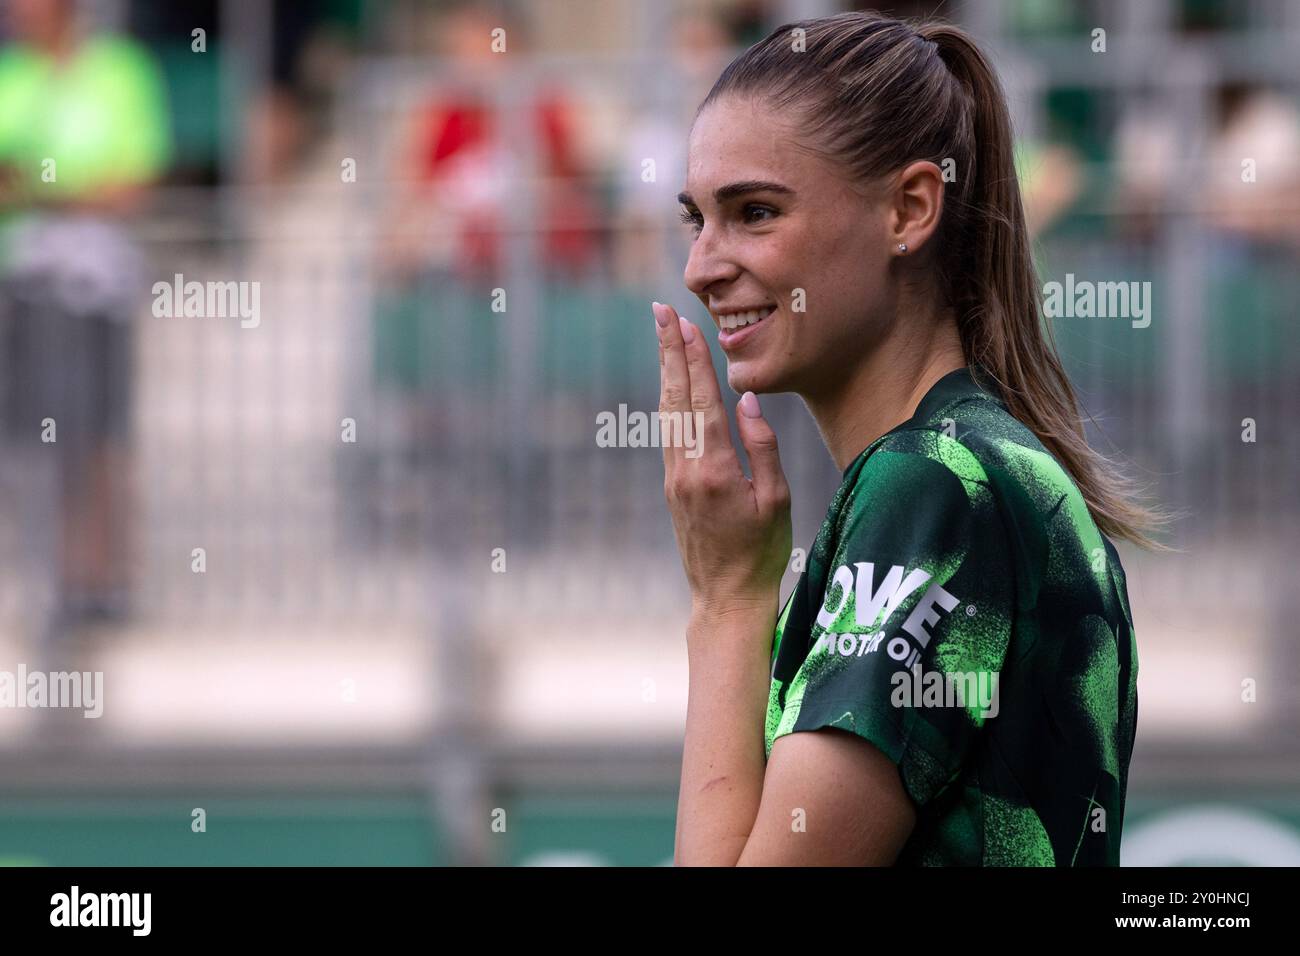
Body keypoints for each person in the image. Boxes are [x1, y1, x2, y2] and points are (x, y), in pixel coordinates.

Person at [658, 11, 1168, 866]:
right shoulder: (977, 466)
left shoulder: (933, 483)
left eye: (754, 212)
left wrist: (729, 604)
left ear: (909, 209)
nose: (702, 265)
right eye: (696, 220)